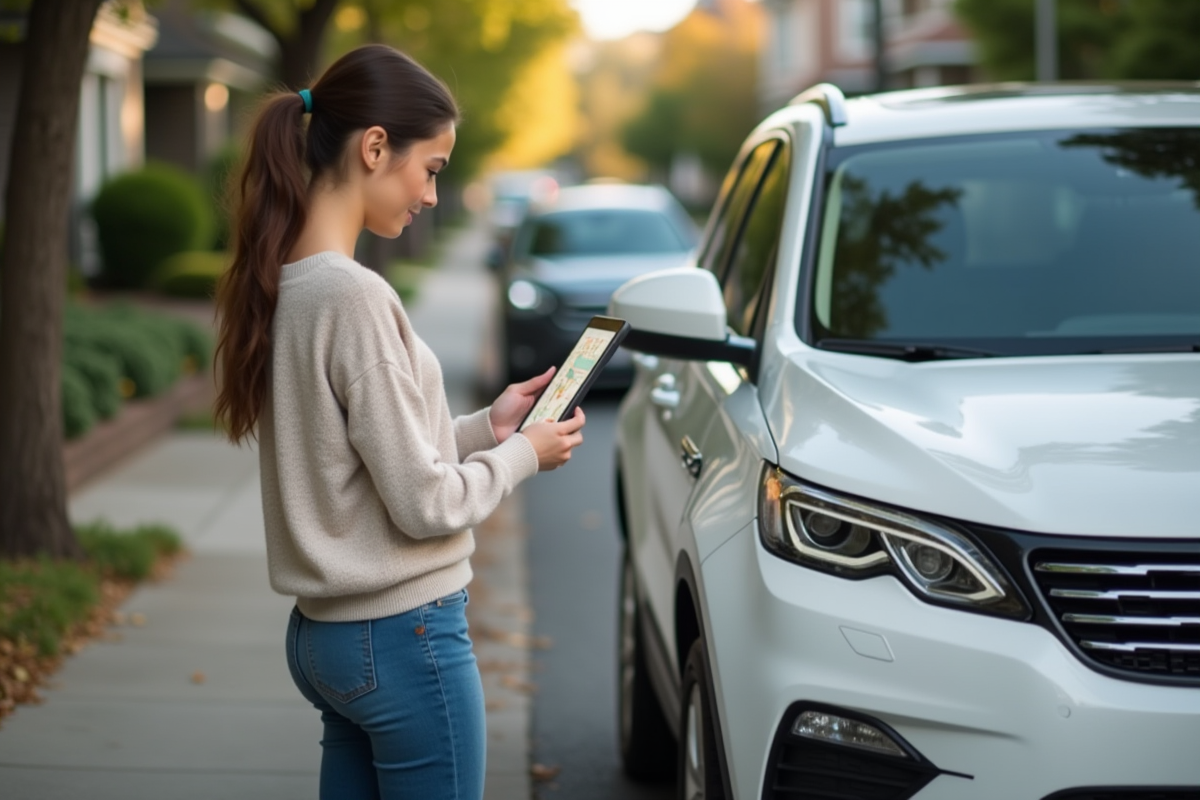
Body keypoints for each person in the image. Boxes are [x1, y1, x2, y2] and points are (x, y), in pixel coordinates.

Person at [212, 44, 585, 800]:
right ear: (375, 147)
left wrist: (489, 428)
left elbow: (361, 459)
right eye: (433, 169)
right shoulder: (354, 297)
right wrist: (525, 459)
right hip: (401, 637)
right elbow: (424, 505)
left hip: (327, 639)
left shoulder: (289, 281)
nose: (433, 196)